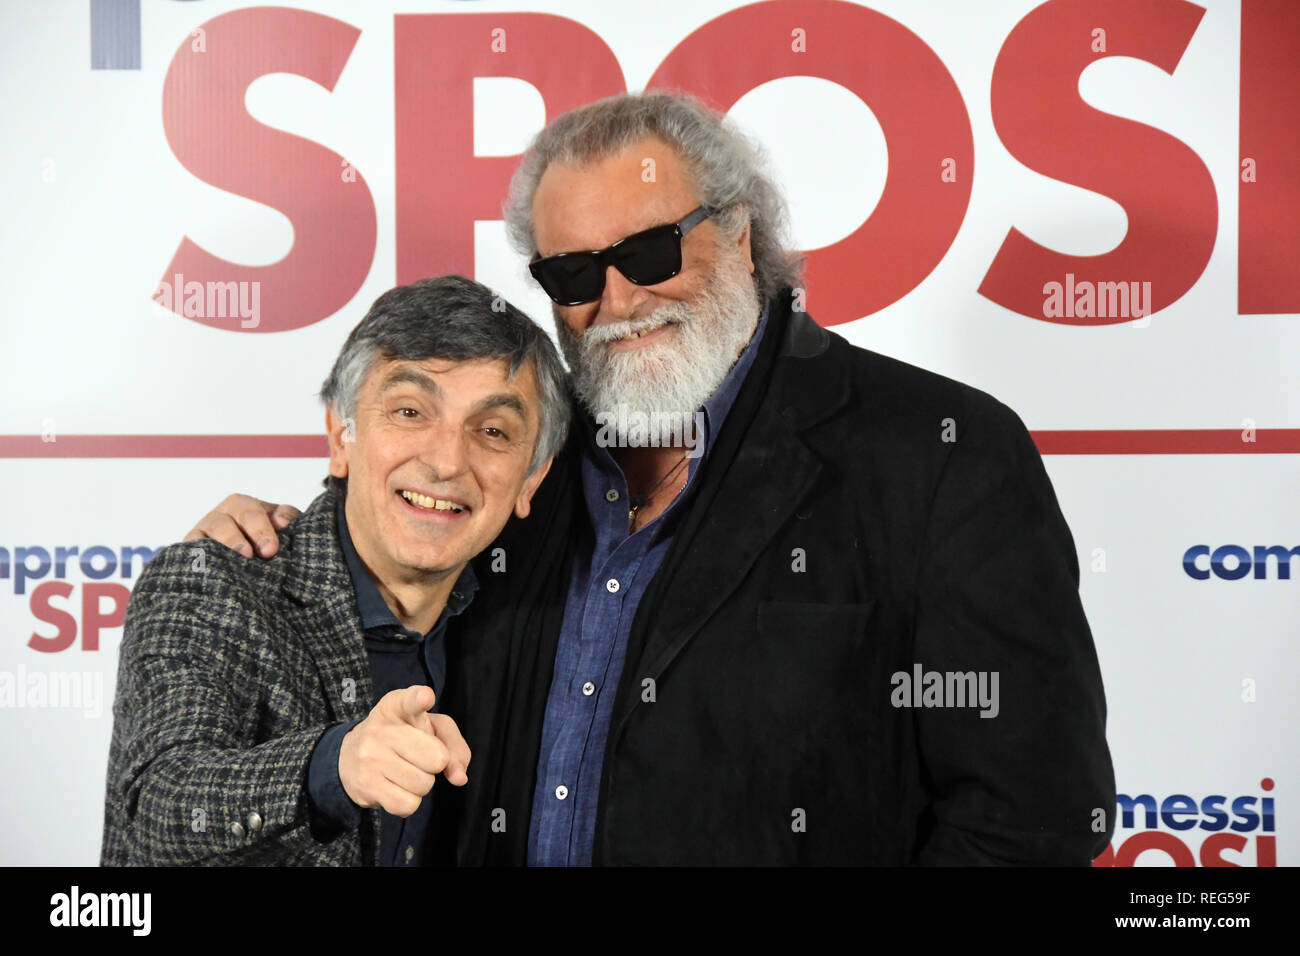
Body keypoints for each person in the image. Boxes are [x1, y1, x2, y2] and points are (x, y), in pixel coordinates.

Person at [188, 91, 1115, 865]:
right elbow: (402, 529)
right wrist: (272, 541)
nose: (620, 300)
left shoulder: (943, 454)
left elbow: (1028, 822)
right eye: (575, 272)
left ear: (743, 235)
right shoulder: (523, 453)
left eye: (650, 253)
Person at [102, 276, 568, 865]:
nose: (448, 461)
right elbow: (159, 806)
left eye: (493, 431)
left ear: (531, 479)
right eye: (409, 410)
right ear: (340, 436)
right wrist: (336, 766)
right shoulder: (211, 583)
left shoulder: (525, 617)